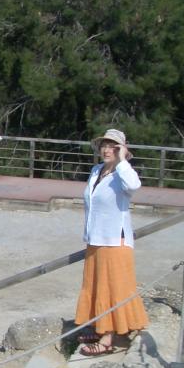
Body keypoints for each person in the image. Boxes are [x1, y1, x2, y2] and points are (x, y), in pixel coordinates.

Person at [74, 129, 148, 355]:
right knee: (95, 285)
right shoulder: (96, 171)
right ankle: (101, 326)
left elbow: (134, 186)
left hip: (115, 240)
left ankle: (108, 338)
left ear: (121, 149)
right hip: (95, 238)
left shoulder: (123, 173)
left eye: (113, 146)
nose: (107, 150)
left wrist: (123, 160)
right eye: (104, 145)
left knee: (112, 288)